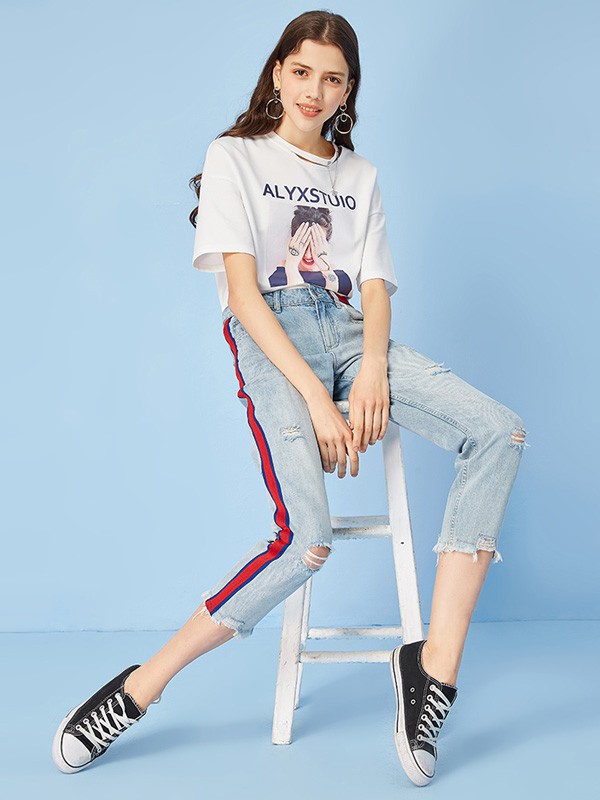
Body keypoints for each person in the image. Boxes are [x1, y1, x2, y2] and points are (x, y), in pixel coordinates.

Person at [52, 10, 528, 786]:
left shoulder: (359, 175)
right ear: (278, 72)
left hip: (352, 336)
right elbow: (243, 296)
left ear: (348, 90)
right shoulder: (234, 156)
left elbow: (374, 287)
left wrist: (369, 371)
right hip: (274, 342)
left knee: (499, 432)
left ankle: (433, 671)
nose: (314, 90)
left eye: (332, 79)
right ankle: (140, 687)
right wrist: (315, 396)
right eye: (302, 71)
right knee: (307, 539)